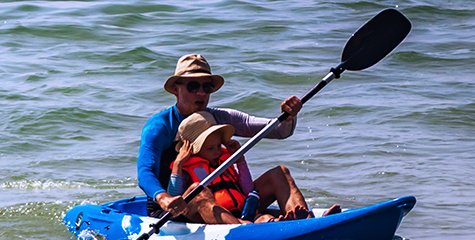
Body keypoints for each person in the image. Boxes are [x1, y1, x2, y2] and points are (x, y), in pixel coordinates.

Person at [137, 53, 339, 223]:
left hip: (224, 202)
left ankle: (306, 222)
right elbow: (145, 172)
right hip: (174, 209)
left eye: (206, 87)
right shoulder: (160, 127)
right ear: (176, 89)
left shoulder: (220, 118)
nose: (201, 92)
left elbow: (278, 131)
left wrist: (288, 116)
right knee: (198, 191)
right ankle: (246, 229)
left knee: (280, 173)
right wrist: (163, 199)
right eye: (192, 86)